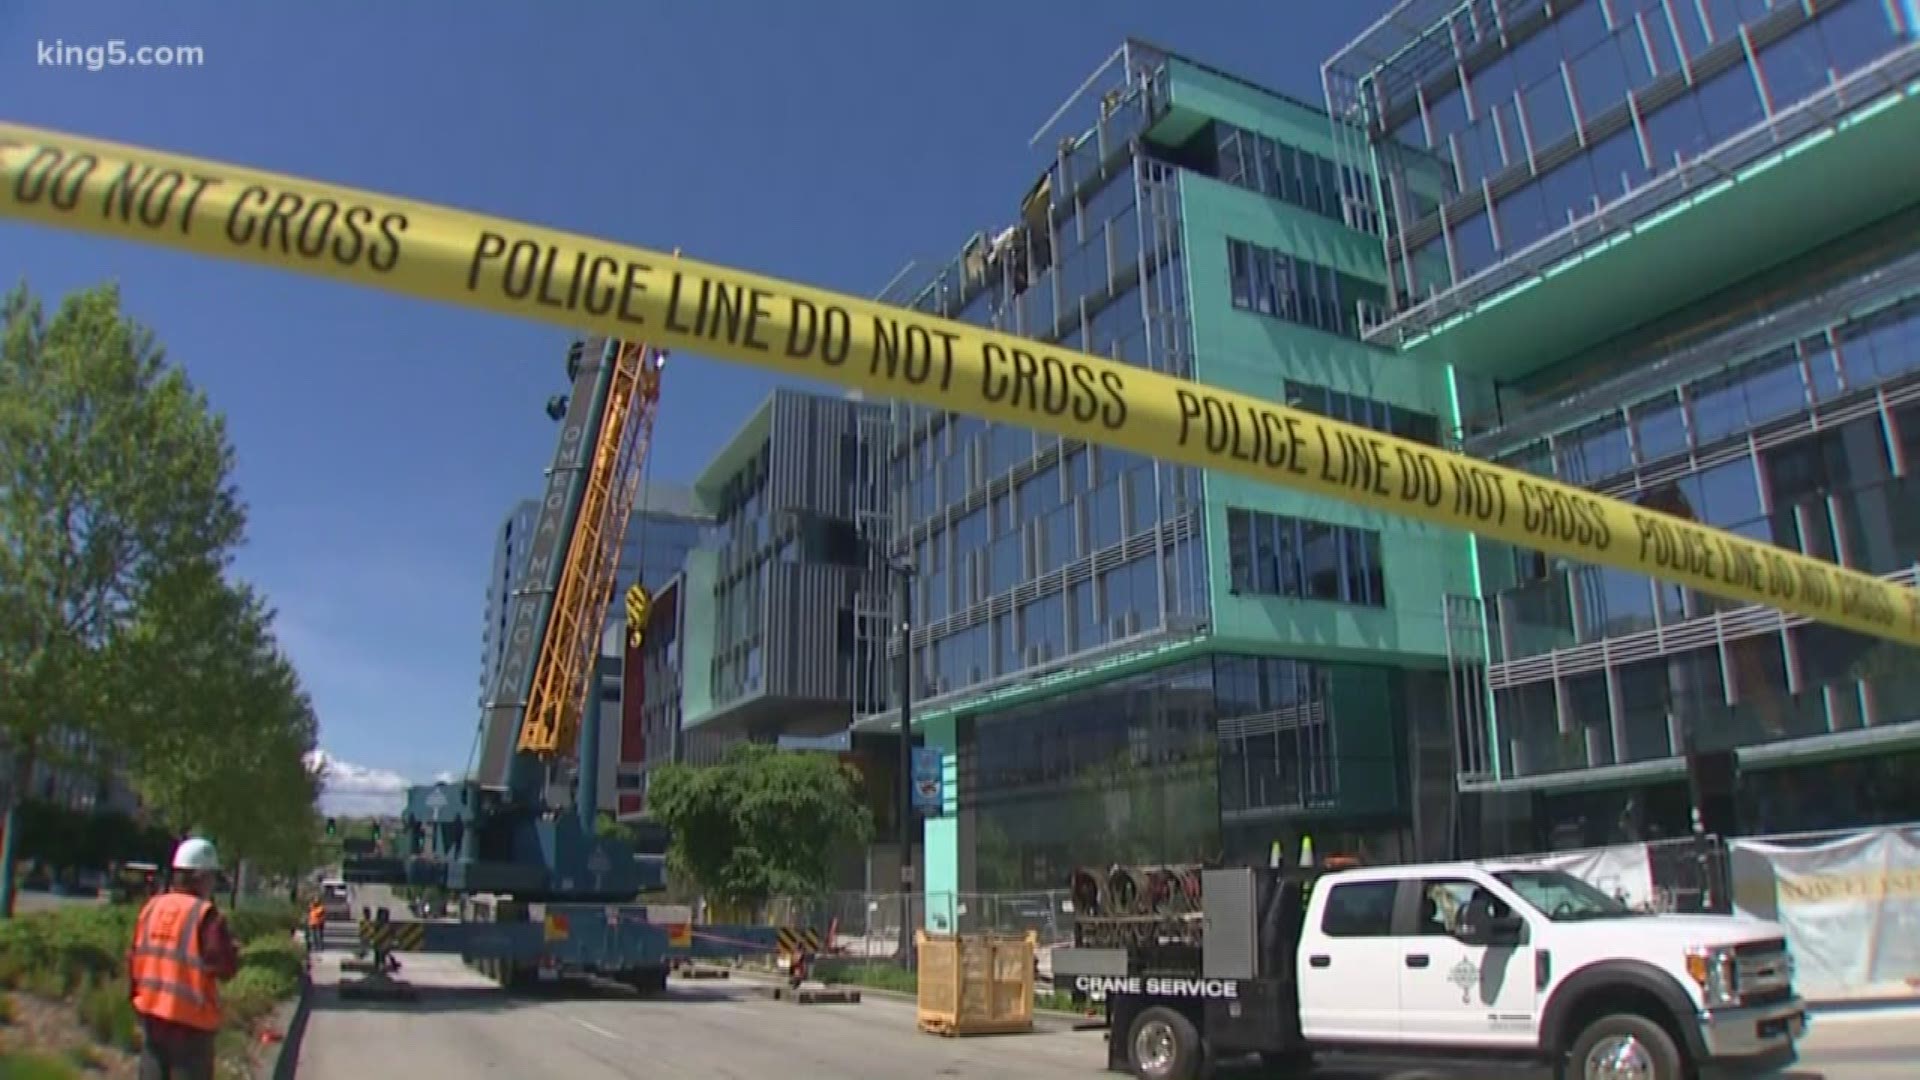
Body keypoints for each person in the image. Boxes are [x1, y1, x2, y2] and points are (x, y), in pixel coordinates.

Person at [127, 838, 239, 1080]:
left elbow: (134, 959)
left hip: (153, 1019)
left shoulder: (151, 908)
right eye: (211, 877)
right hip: (191, 1027)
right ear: (199, 877)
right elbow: (225, 967)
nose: (212, 884)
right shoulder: (206, 915)